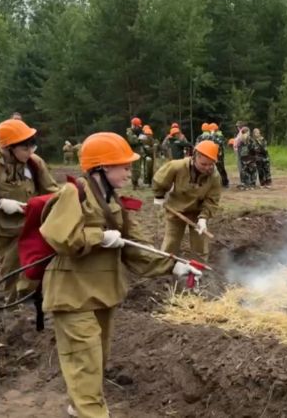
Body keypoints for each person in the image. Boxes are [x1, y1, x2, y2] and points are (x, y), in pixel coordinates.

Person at [39, 132, 203, 418]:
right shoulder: (73, 193)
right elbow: (59, 236)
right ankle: (93, 413)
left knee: (97, 358)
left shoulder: (114, 202)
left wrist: (174, 265)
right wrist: (99, 236)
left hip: (102, 292)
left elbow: (136, 247)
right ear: (102, 167)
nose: (129, 172)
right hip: (72, 293)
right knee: (86, 360)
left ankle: (79, 407)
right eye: (124, 167)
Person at [0, 119, 59, 302]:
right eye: (25, 148)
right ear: (8, 148)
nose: (30, 152)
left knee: (36, 261)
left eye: (32, 146)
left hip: (33, 223)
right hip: (6, 227)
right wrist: (0, 201)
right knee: (11, 265)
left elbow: (52, 190)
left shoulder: (34, 163)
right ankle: (11, 302)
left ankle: (31, 296)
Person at [152, 140, 221, 260]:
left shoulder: (214, 176)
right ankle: (165, 264)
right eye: (203, 164)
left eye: (210, 164)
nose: (207, 168)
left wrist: (203, 218)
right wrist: (159, 195)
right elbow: (160, 179)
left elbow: (212, 199)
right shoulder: (177, 166)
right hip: (176, 209)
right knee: (171, 242)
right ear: (195, 157)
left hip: (197, 211)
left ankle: (199, 267)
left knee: (200, 244)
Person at [125, 116, 145, 190]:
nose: (138, 128)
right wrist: (139, 139)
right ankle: (134, 183)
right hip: (132, 152)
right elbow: (133, 141)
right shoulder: (129, 132)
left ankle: (136, 182)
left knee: (138, 168)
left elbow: (144, 139)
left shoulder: (138, 132)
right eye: (137, 126)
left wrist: (140, 138)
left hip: (138, 151)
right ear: (134, 125)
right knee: (135, 168)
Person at [210, 123, 229, 188]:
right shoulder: (213, 135)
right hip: (214, 154)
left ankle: (225, 182)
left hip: (219, 155)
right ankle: (217, 183)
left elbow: (218, 142)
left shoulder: (219, 135)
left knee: (221, 168)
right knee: (215, 169)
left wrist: (213, 135)